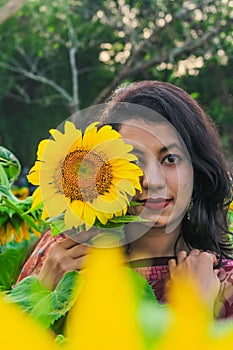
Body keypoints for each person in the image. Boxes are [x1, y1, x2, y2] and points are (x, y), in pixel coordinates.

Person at [17, 81, 233, 319]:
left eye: (170, 159)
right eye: (133, 160)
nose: (152, 181)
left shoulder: (221, 281)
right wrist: (42, 290)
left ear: (197, 169)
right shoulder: (62, 256)